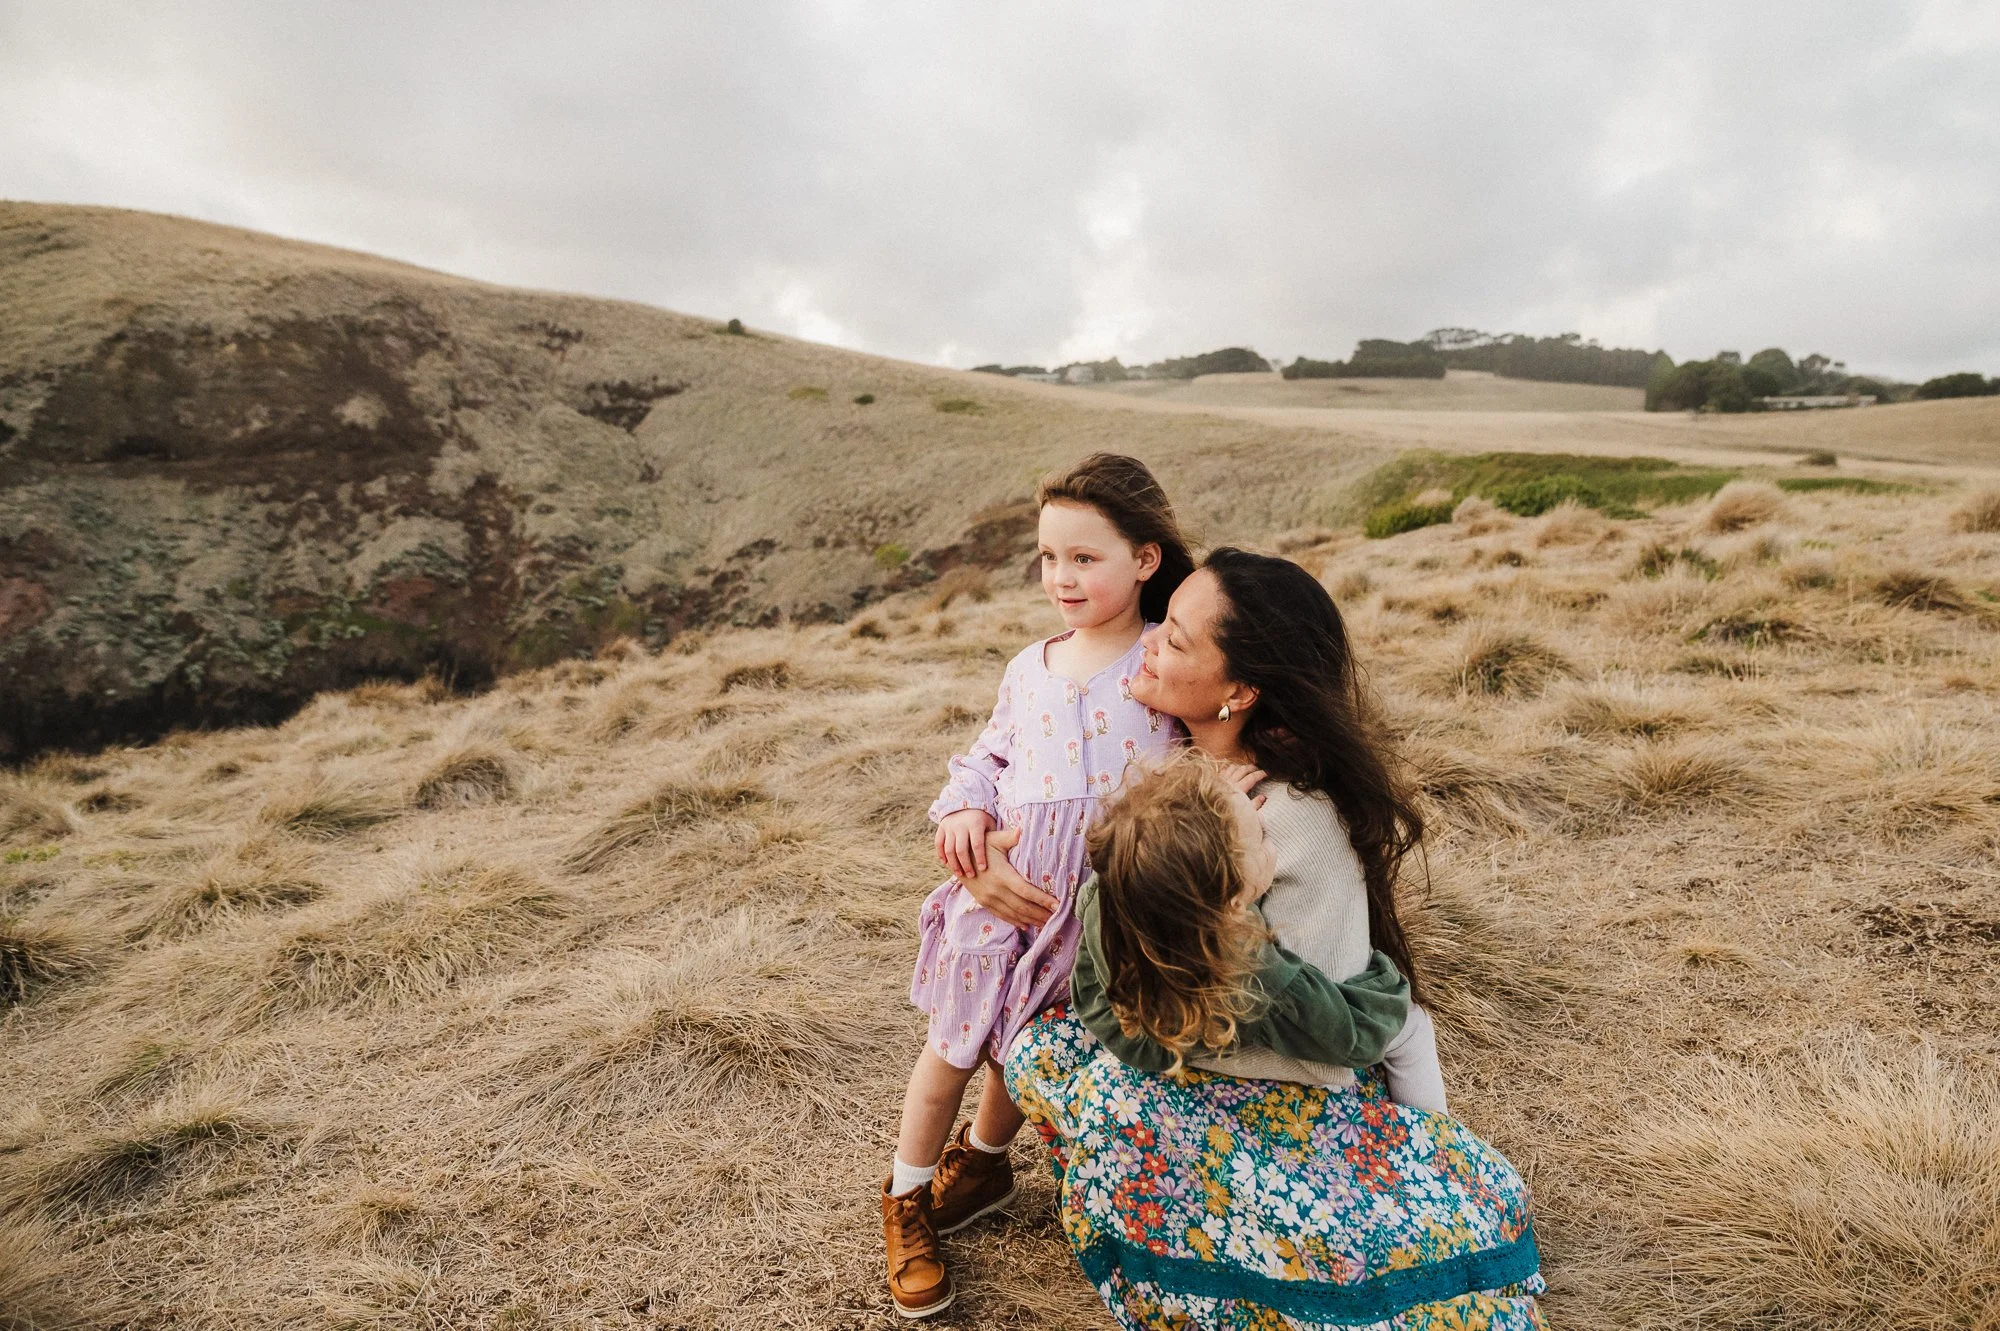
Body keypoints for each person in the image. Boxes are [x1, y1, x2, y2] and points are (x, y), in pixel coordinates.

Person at [962, 548, 1545, 1328]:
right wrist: (969, 838)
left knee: (1124, 1113)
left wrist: (1200, 947)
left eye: (1174, 639)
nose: (1146, 645)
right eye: (1159, 624)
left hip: (1275, 1093)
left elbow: (1323, 1043)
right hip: (1176, 1046)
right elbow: (1019, 755)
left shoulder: (1296, 820)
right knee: (1044, 1048)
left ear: (1237, 691)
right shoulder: (1172, 766)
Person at [882, 453, 1196, 1320]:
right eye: (1049, 556)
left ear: (1145, 559)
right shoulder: (1029, 665)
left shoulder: (1162, 659)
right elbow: (985, 758)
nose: (1061, 576)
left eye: (1084, 557)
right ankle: (906, 1197)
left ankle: (982, 1164)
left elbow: (1205, 752)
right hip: (1007, 888)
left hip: (1105, 907)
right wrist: (963, 824)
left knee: (1035, 1050)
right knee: (953, 1044)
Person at [1071, 748, 1449, 1113]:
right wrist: (1385, 986)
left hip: (1144, 1047)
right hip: (1218, 1059)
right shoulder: (1251, 965)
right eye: (1261, 839)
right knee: (1413, 1026)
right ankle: (1439, 1147)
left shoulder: (1104, 899)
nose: (1270, 846)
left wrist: (1214, 814)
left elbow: (1089, 995)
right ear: (1233, 901)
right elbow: (1348, 1040)